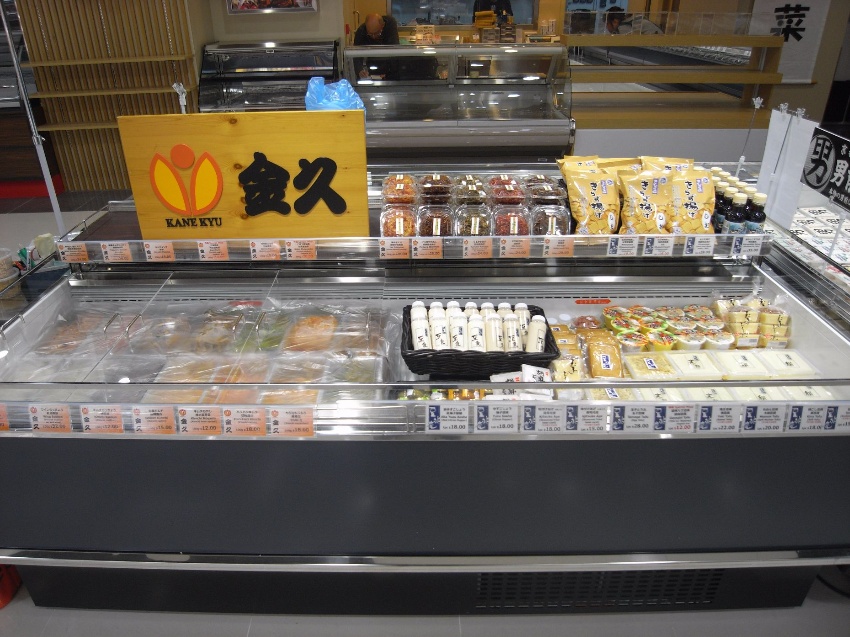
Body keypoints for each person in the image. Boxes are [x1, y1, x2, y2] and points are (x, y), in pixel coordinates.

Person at [353, 14, 400, 78]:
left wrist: (390, 73)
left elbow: (394, 50)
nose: (374, 37)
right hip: (372, 65)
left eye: (377, 33)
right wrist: (360, 70)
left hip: (389, 64)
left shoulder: (390, 24)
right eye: (370, 34)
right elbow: (356, 54)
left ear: (383, 25)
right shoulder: (361, 31)